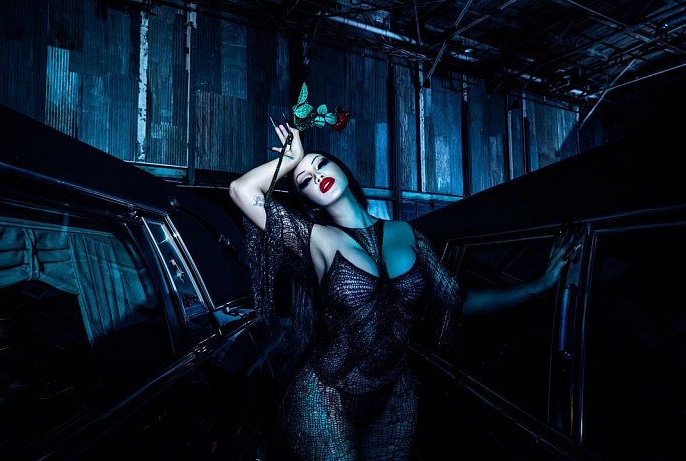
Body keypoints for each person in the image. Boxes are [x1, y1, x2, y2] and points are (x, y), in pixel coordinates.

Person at [229, 121, 577, 460]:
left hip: (395, 395)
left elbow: (457, 301)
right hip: (324, 396)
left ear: (343, 171)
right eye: (305, 180)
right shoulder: (313, 238)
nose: (317, 176)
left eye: (321, 164)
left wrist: (537, 285)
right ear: (310, 201)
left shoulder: (407, 233)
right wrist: (290, 159)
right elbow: (241, 191)